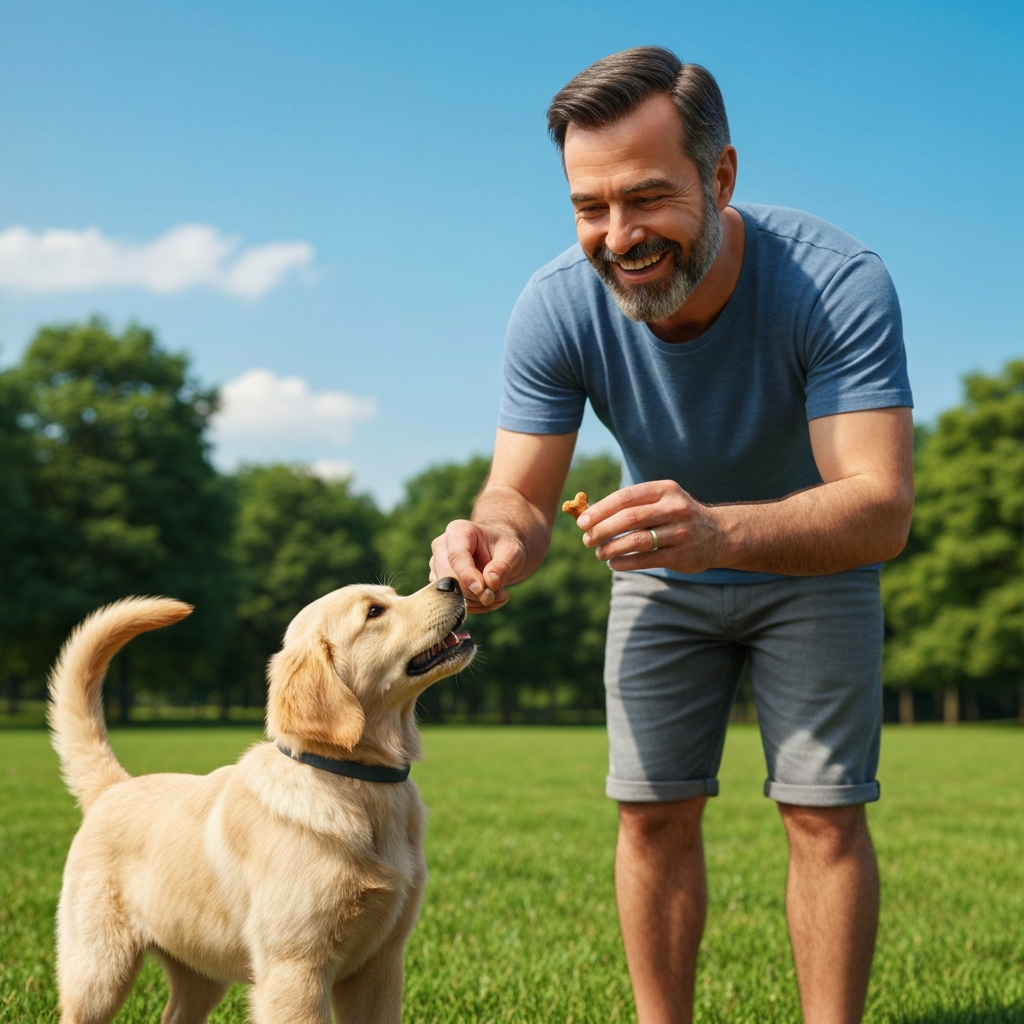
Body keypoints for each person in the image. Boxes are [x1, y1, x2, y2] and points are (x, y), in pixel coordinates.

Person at [429, 46, 913, 1024]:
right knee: (650, 812)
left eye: (647, 198)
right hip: (662, 566)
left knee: (822, 814)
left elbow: (878, 504)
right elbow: (515, 495)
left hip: (809, 557)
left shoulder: (834, 282)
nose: (616, 235)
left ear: (720, 175)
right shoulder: (555, 307)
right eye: (588, 207)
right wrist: (491, 538)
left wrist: (716, 529)